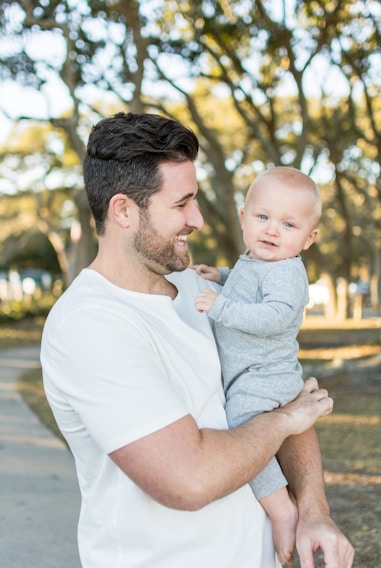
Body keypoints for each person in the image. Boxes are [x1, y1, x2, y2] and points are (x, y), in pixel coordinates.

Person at [40, 112, 354, 568]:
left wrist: (313, 511)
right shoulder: (89, 325)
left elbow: (280, 392)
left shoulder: (196, 287)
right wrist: (286, 420)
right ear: (124, 210)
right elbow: (189, 479)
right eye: (182, 204)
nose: (199, 220)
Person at [194, 166, 322, 565]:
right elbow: (250, 280)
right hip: (253, 373)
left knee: (242, 427)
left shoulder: (287, 271)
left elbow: (274, 316)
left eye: (288, 224)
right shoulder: (260, 260)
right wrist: (222, 276)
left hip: (265, 378)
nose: (272, 230)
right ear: (244, 215)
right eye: (263, 217)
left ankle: (282, 510)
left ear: (309, 238)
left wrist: (222, 306)